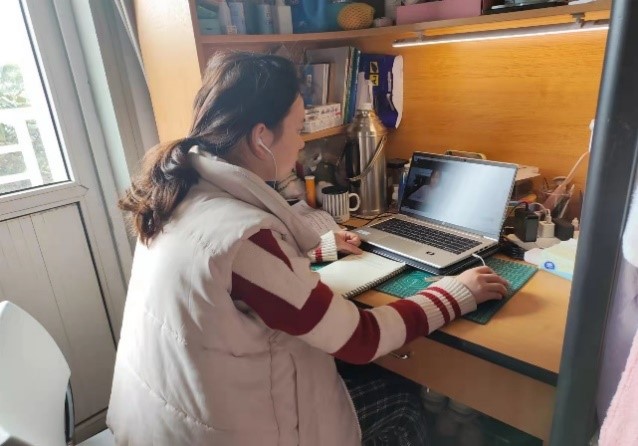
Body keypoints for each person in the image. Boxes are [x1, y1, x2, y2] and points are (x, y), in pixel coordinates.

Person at [107, 51, 508, 445]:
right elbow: (361, 339)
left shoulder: (179, 195)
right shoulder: (245, 239)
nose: (300, 143)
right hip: (229, 432)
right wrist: (459, 292)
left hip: (157, 422)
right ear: (261, 138)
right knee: (401, 402)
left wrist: (316, 251)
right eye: (298, 128)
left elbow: (223, 279)